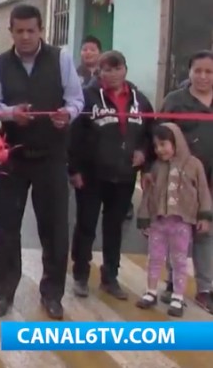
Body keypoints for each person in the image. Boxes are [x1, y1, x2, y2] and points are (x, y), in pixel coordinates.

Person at [0, 4, 84, 320]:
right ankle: (4, 293)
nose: (26, 36)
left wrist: (67, 114)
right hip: (12, 155)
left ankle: (52, 294)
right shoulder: (0, 64)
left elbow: (76, 99)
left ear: (41, 30)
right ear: (11, 32)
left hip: (51, 155)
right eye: (19, 31)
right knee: (6, 226)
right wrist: (10, 113)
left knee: (54, 228)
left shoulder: (61, 59)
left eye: (31, 30)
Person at [68, 51, 154, 300]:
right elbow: (73, 136)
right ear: (99, 72)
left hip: (124, 176)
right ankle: (80, 275)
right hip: (91, 175)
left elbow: (151, 132)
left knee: (115, 227)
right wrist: (73, 169)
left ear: (125, 69)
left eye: (118, 69)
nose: (113, 74)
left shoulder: (140, 100)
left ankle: (110, 277)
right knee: (86, 225)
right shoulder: (86, 98)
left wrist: (143, 153)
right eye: (107, 70)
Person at [136, 123, 212, 317]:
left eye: (163, 144)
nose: (159, 150)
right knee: (155, 258)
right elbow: (149, 194)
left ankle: (178, 296)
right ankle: (151, 291)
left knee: (179, 260)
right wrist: (144, 218)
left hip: (182, 224)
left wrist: (204, 217)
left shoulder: (194, 165)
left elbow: (203, 192)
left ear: (176, 142)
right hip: (158, 223)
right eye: (156, 146)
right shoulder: (157, 167)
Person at [158, 50, 213, 314]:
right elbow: (159, 135)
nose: (203, 76)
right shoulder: (175, 101)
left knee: (206, 233)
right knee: (177, 232)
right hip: (180, 180)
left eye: (209, 72)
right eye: (197, 71)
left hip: (210, 181)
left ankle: (205, 289)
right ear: (189, 72)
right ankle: (173, 282)